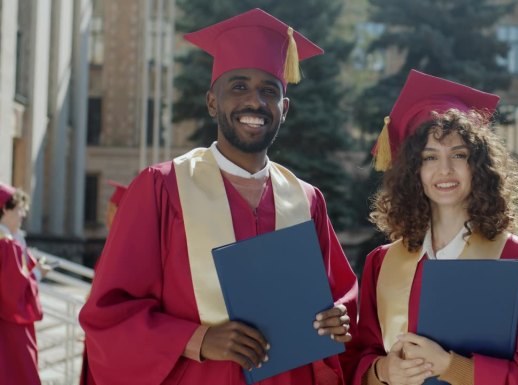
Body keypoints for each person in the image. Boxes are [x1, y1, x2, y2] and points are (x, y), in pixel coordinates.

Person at [79, 8, 358, 385]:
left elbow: (342, 299)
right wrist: (199, 339)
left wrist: (338, 317)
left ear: (284, 109)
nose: (254, 102)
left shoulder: (306, 200)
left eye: (269, 91)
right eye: (239, 87)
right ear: (213, 102)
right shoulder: (163, 188)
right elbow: (109, 312)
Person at [349, 70, 518, 385]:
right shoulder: (383, 263)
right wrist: (383, 371)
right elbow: (360, 360)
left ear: (478, 167)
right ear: (414, 172)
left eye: (459, 155)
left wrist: (453, 367)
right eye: (429, 157)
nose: (445, 170)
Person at [79, 180, 128, 385]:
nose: (107, 216)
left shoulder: (124, 251)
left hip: (112, 340)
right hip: (99, 334)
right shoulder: (112, 246)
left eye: (112, 209)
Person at [0, 182, 44, 385]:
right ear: (4, 210)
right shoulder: (6, 244)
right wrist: (37, 276)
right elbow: (13, 291)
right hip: (9, 326)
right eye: (19, 209)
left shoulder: (10, 242)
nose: (22, 215)